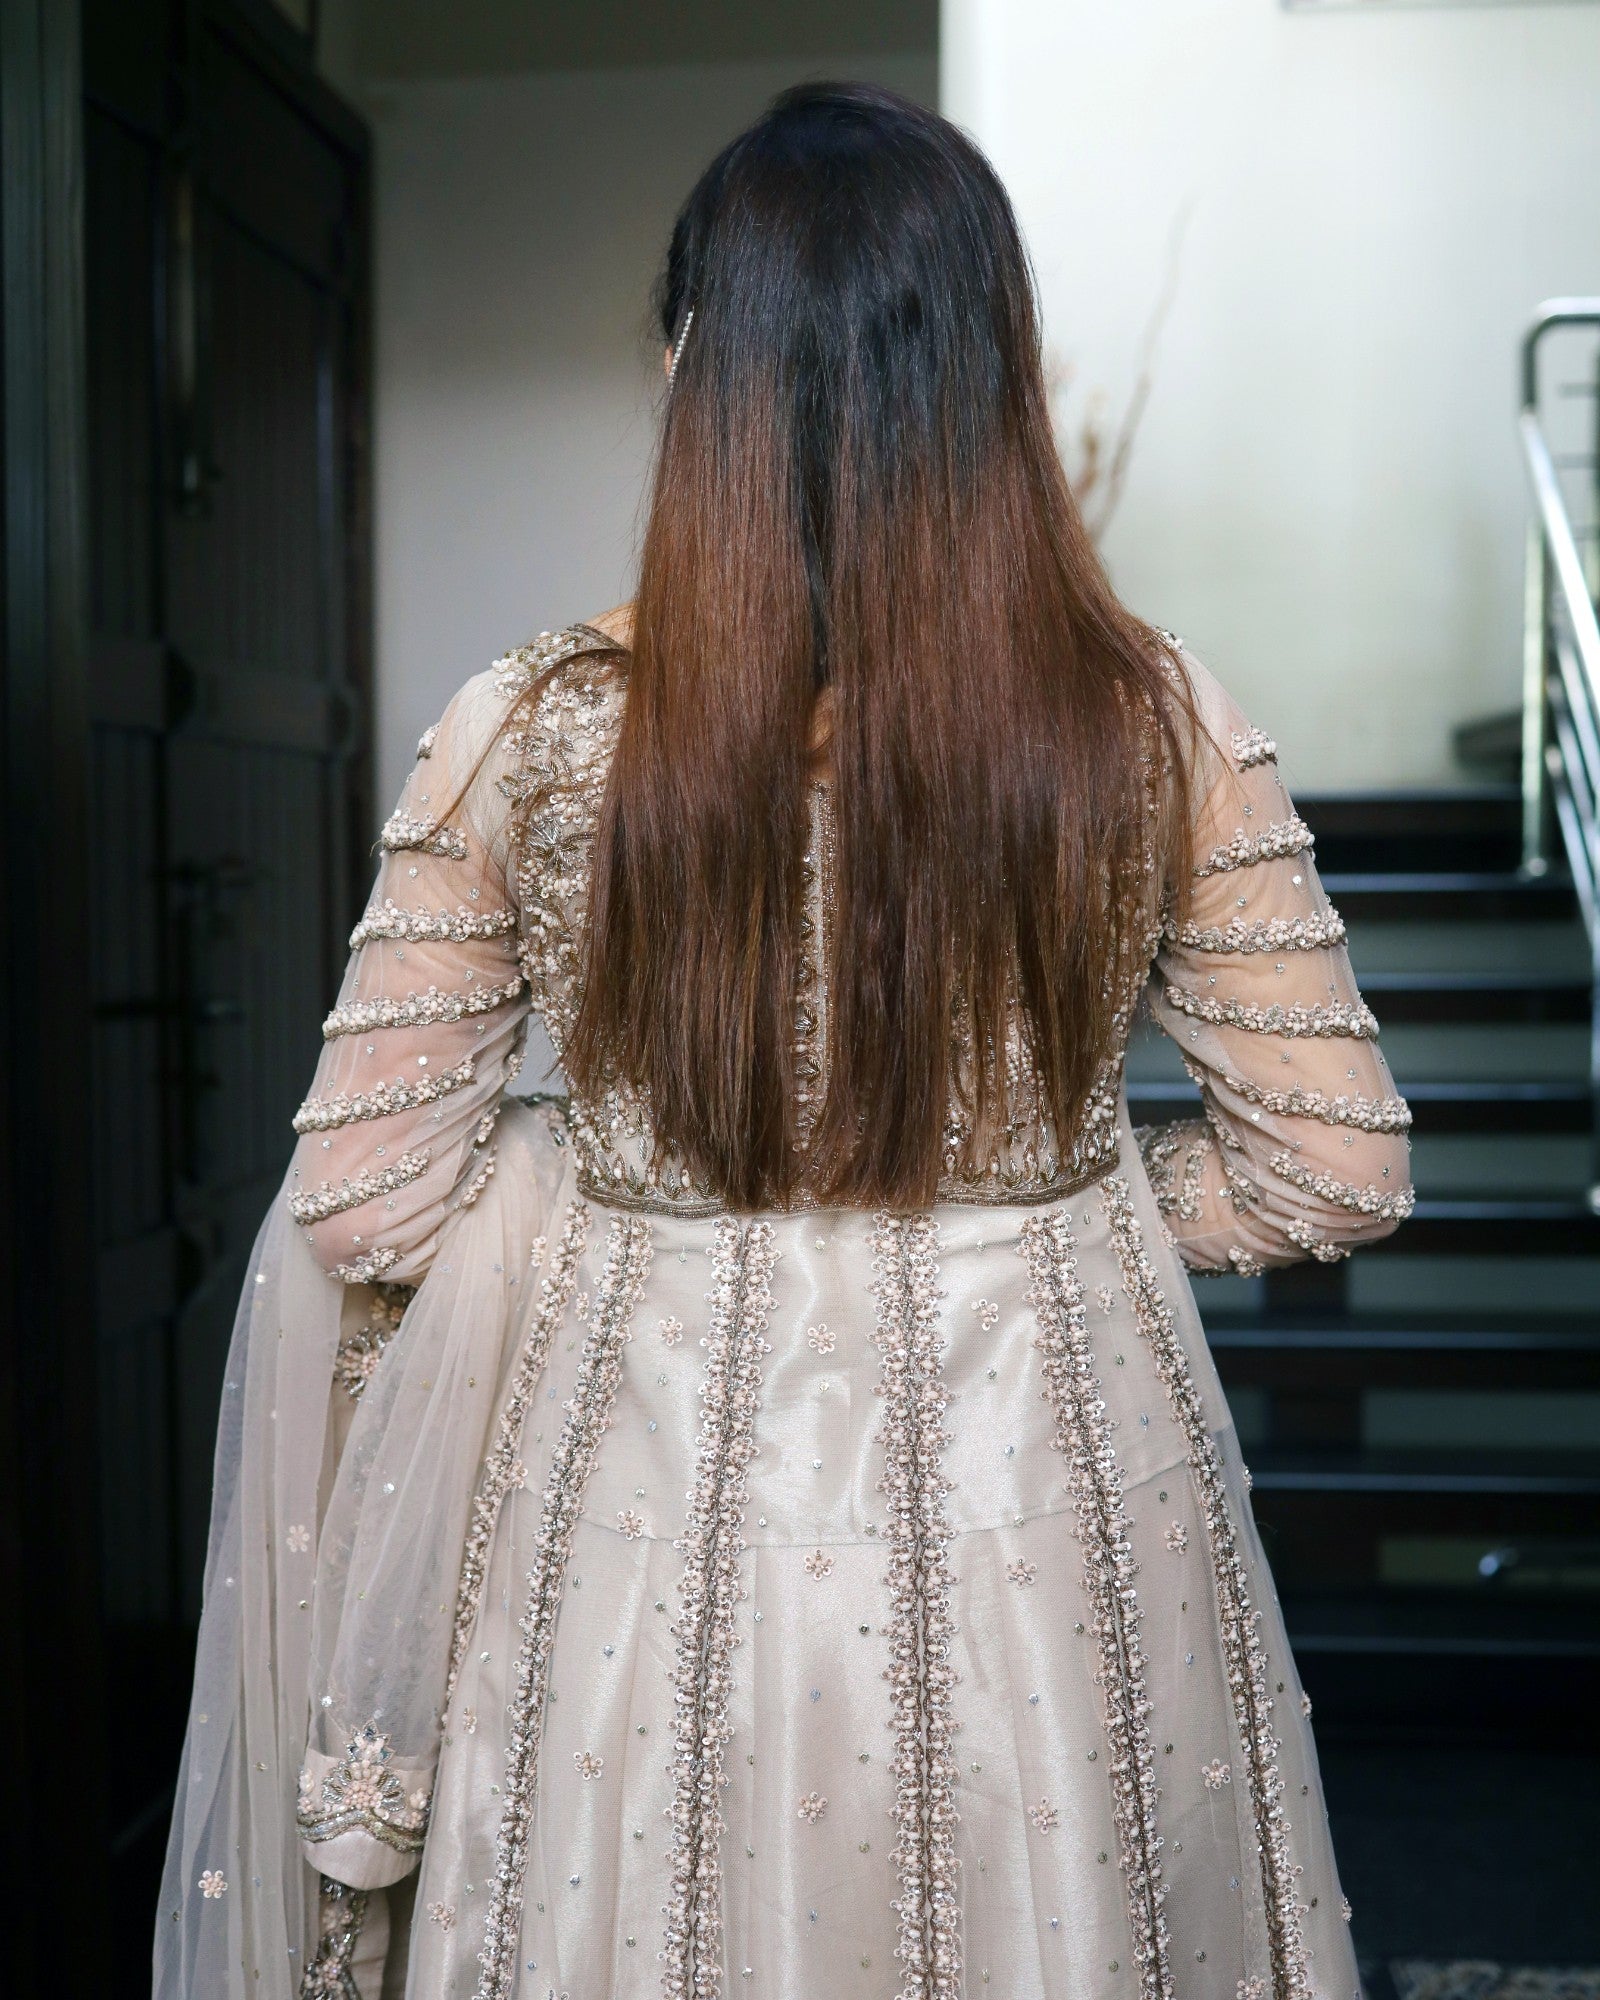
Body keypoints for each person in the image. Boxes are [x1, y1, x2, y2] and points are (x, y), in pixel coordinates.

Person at [155, 81, 1412, 2000]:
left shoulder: (528, 730)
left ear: (694, 371)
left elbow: (366, 1196)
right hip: (1054, 1470)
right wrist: (1061, 1200)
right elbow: (1334, 1169)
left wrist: (620, 1173)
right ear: (996, 374)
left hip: (641, 1489)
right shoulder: (1152, 720)